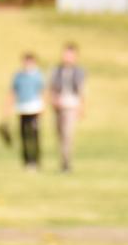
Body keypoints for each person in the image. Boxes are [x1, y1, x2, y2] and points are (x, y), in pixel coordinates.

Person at [49, 43, 85, 172]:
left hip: (71, 106)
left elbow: (82, 91)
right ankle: (62, 160)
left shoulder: (79, 72)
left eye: (70, 55)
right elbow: (51, 88)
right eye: (65, 54)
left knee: (67, 134)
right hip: (58, 105)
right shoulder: (56, 70)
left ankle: (66, 163)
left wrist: (81, 107)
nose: (67, 57)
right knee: (59, 134)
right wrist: (53, 100)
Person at [7, 53, 45, 170]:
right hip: (22, 109)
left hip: (34, 109)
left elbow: (42, 92)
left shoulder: (37, 75)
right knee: (23, 136)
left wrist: (43, 108)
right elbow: (13, 92)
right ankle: (26, 161)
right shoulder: (18, 76)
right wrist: (7, 108)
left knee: (34, 136)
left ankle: (36, 160)